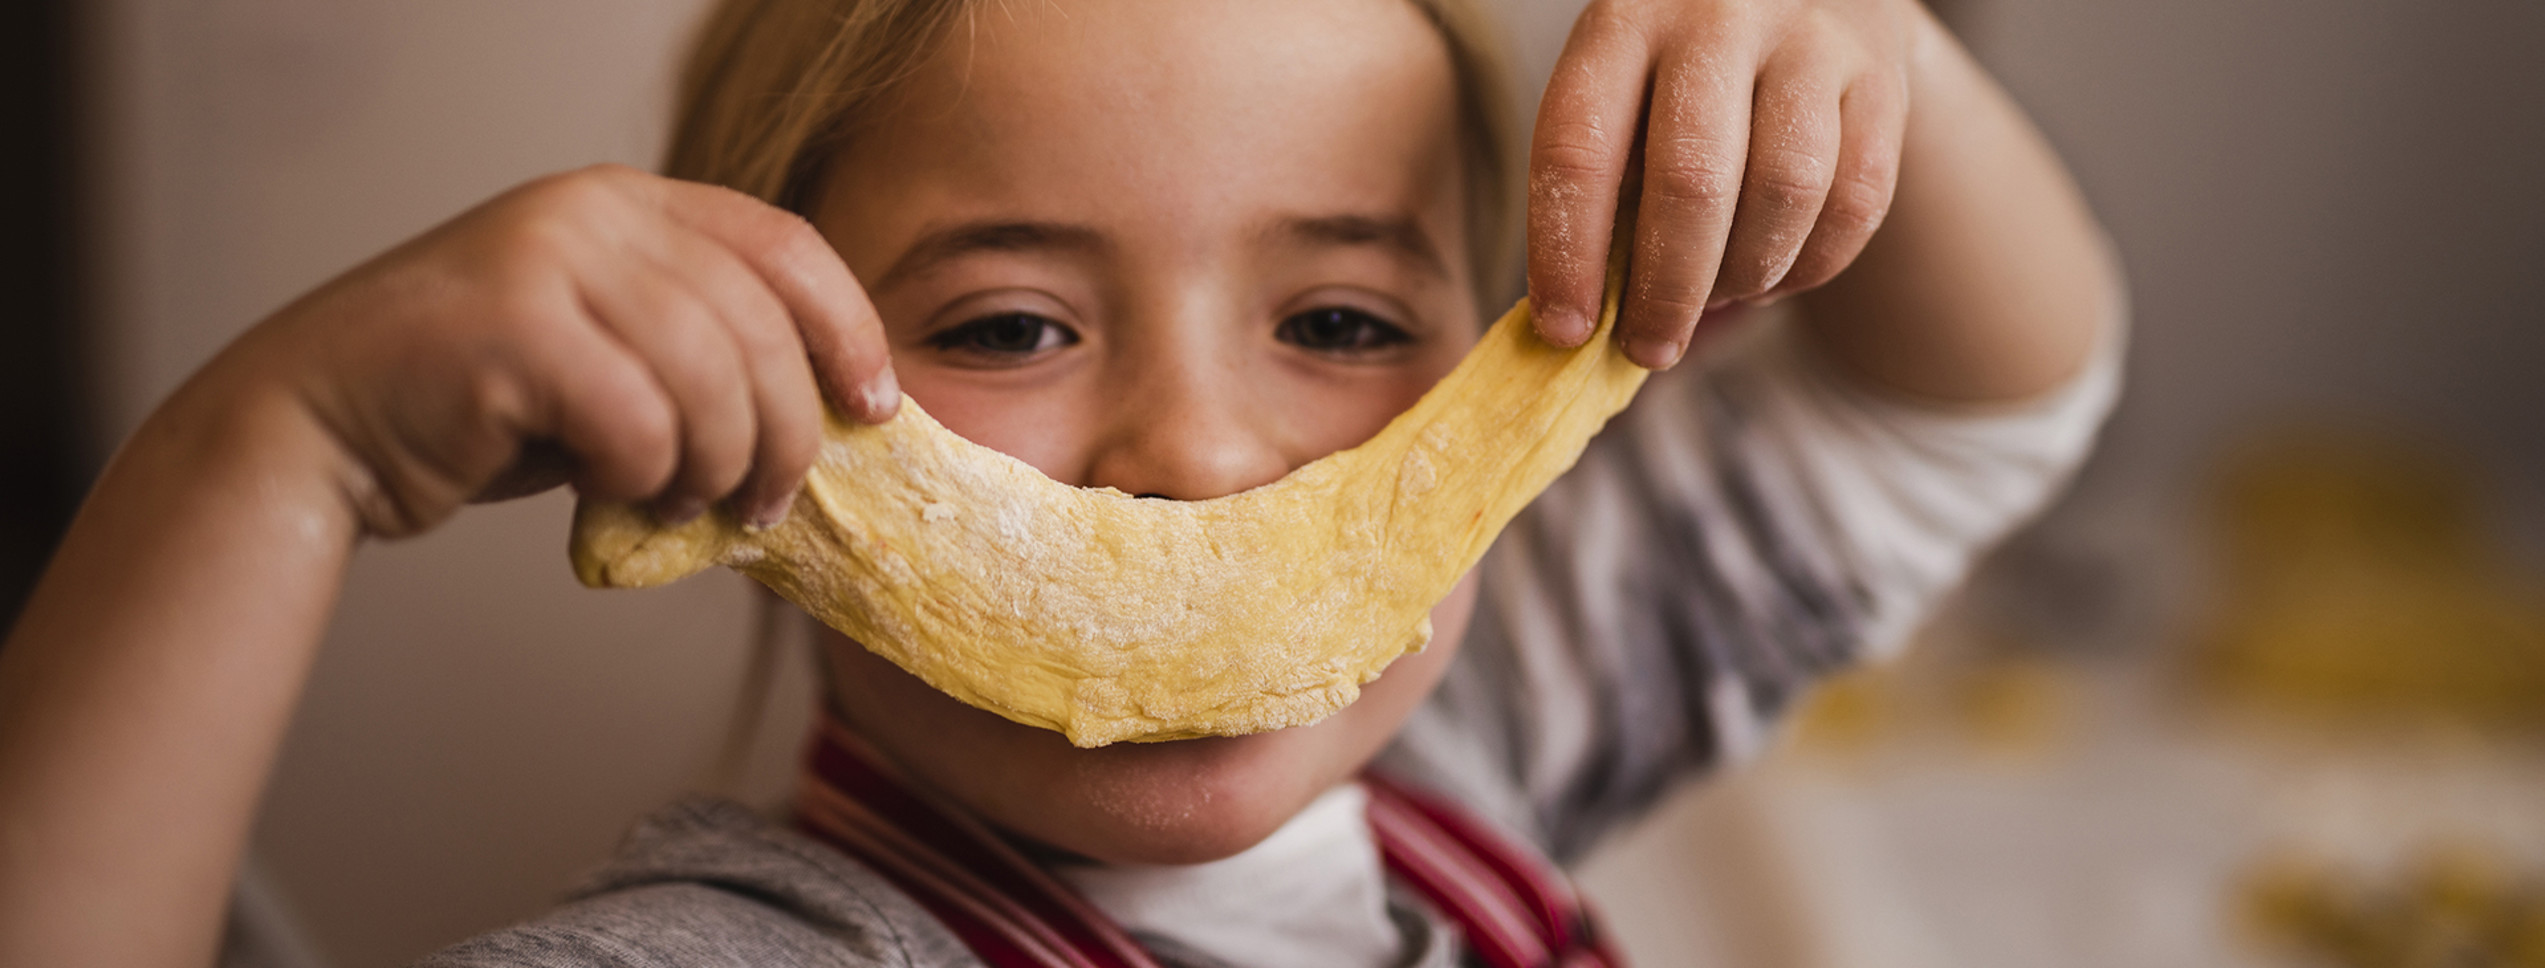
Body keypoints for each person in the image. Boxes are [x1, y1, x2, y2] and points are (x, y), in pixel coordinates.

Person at [0, 0, 2121, 964]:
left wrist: (1877, 55)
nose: (1195, 457)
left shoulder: (1481, 738)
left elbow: (1975, 410)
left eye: (1340, 320)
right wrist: (268, 454)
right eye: (1009, 326)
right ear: (722, 401)